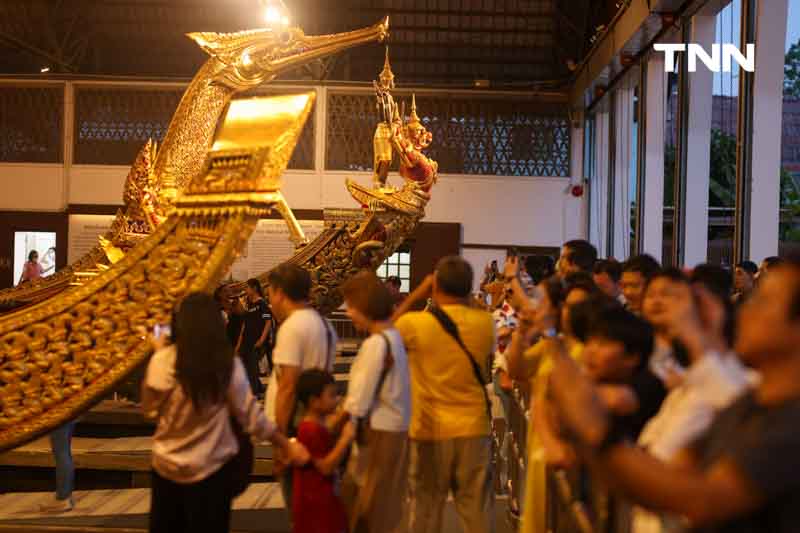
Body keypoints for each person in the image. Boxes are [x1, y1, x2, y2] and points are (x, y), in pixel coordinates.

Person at [548, 258, 800, 533]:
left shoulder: (790, 424)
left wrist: (594, 429)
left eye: (762, 302)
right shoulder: (748, 402)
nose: (745, 312)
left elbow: (703, 499)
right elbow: (665, 474)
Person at [141, 292, 308, 533]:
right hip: (213, 469)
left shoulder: (163, 361)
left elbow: (149, 411)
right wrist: (285, 443)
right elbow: (250, 416)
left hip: (167, 467)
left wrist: (158, 351)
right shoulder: (227, 363)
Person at [634, 265, 753, 533]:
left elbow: (663, 472)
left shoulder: (737, 388)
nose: (660, 303)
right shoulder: (688, 385)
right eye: (654, 294)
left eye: (673, 297)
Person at [394, 256, 496, 533]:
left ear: (435, 284)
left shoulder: (415, 324)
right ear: (468, 288)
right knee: (476, 509)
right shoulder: (485, 324)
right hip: (474, 427)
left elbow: (385, 334)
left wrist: (420, 291)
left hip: (429, 429)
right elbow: (477, 311)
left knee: (426, 508)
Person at [337, 271, 410, 533]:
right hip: (394, 432)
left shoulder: (376, 344)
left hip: (378, 435)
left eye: (351, 307)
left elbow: (357, 403)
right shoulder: (393, 336)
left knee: (369, 511)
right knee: (385, 508)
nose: (348, 313)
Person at [264, 263, 337, 512]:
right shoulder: (325, 325)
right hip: (317, 424)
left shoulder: (293, 327)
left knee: (299, 508)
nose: (270, 301)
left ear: (280, 292)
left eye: (270, 294)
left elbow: (287, 386)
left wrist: (281, 442)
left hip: (297, 429)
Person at [292, 369, 355, 533]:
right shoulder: (310, 430)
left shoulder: (317, 426)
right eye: (332, 395)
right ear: (314, 401)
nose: (337, 400)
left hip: (320, 498)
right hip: (316, 501)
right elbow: (325, 467)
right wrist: (345, 439)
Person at [237, 279, 270, 396]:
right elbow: (244, 325)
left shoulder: (262, 304)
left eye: (247, 288)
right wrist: (239, 343)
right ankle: (259, 388)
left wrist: (262, 339)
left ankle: (254, 392)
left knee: (252, 367)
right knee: (244, 367)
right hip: (246, 340)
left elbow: (268, 321)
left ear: (254, 288)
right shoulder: (249, 304)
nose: (245, 290)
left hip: (255, 340)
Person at [39, 422, 76, 513]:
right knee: (64, 452)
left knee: (61, 453)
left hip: (62, 417)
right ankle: (66, 496)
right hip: (71, 414)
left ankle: (63, 498)